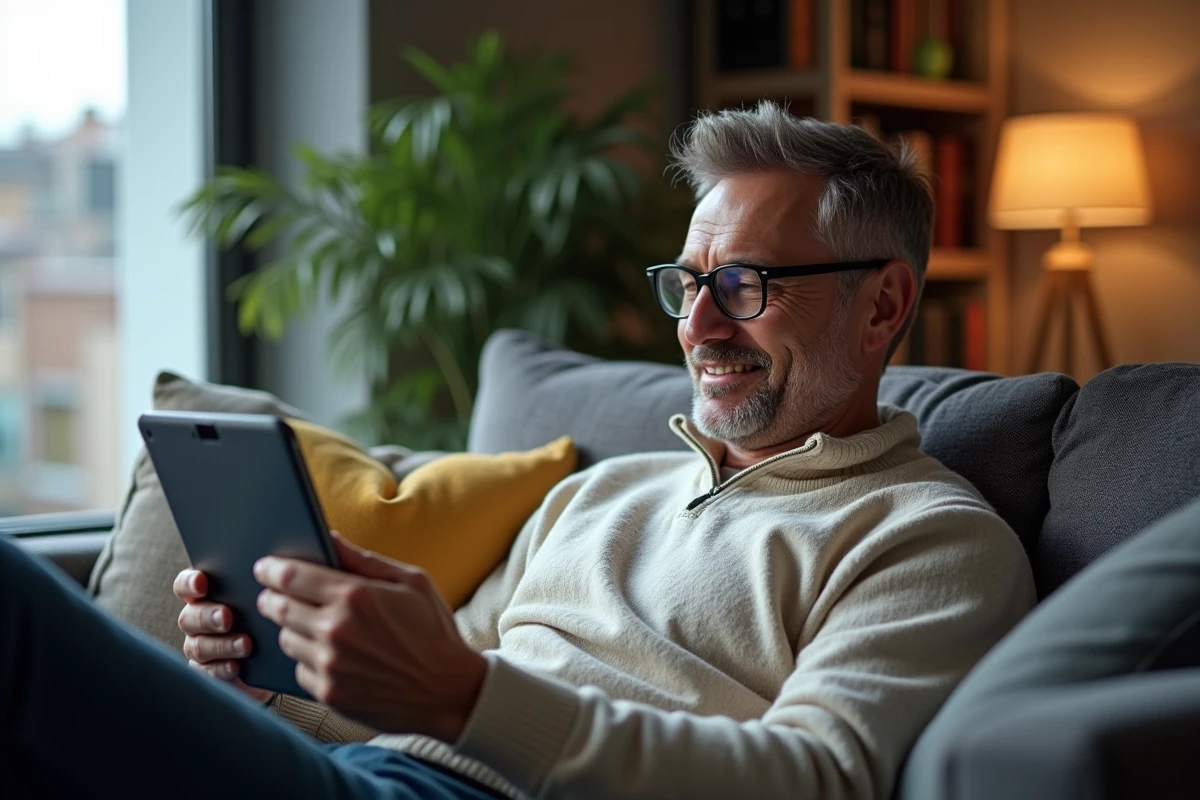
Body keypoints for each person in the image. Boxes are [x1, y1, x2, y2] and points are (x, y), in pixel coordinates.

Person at [0, 102, 1034, 799]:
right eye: (687, 283)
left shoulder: (929, 539)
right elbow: (428, 699)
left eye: (747, 286)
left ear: (883, 303)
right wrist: (261, 686)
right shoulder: (603, 494)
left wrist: (459, 694)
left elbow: (817, 776)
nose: (700, 328)